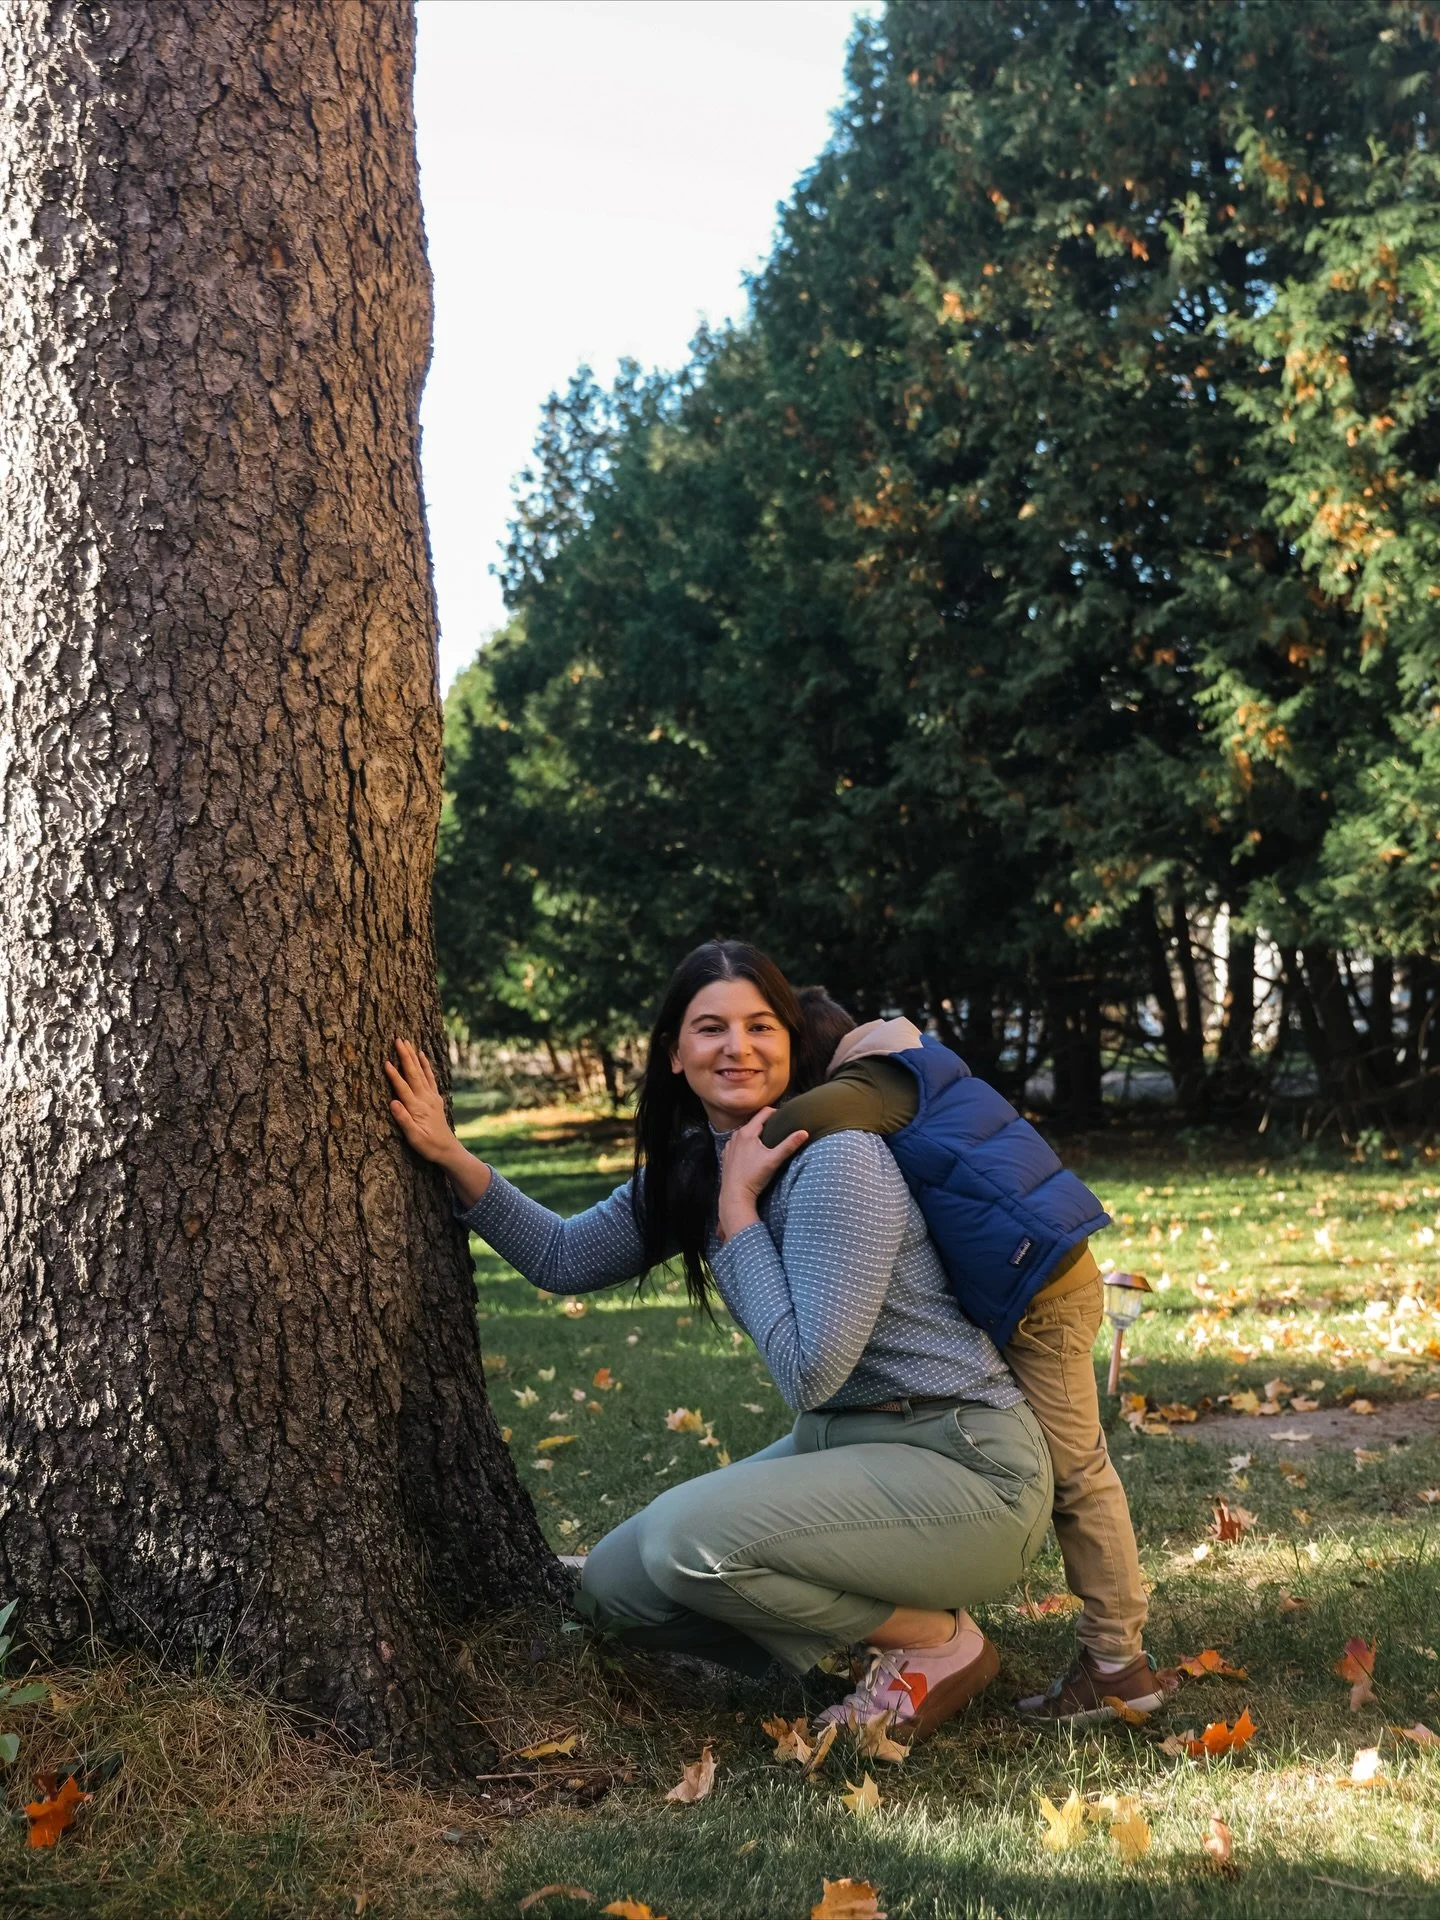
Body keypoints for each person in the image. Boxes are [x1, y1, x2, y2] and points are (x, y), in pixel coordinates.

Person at [386, 940, 1053, 1744]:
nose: (737, 1048)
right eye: (710, 1029)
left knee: (685, 1542)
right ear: (674, 1053)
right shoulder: (697, 1165)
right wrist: (449, 1153)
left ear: (791, 1044)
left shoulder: (838, 1159)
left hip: (964, 1465)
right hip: (846, 1449)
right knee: (615, 1590)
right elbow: (563, 1258)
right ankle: (853, 1635)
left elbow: (811, 1371)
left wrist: (738, 1217)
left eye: (760, 1026)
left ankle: (940, 1643)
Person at [759, 990, 1159, 1722]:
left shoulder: (873, 1083)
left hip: (1040, 1288)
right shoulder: (918, 1058)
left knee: (1076, 1472)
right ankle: (923, 1623)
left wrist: (736, 1142)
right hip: (1044, 1269)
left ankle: (1117, 1663)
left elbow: (793, 1125)